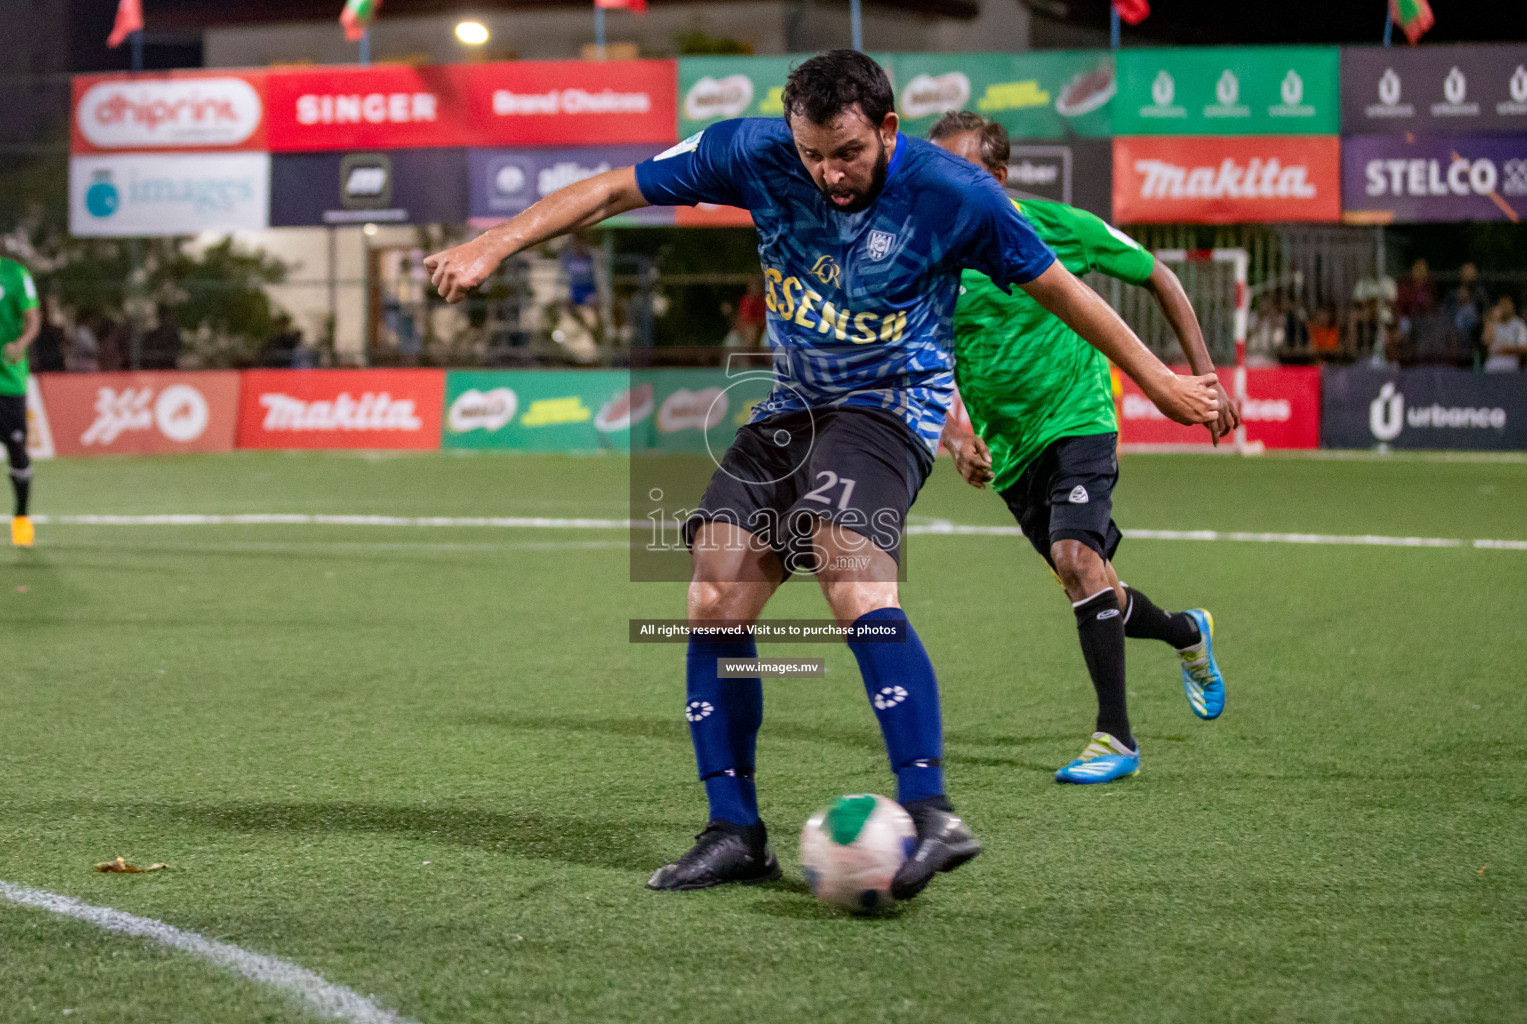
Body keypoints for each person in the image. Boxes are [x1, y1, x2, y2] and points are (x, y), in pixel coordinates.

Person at [424, 50, 1218, 899]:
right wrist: (497, 242)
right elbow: (617, 188)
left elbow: (1065, 290)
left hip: (890, 407)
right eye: (812, 154)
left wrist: (1161, 381)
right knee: (713, 591)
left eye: (846, 153)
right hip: (793, 407)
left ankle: (930, 810)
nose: (828, 173)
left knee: (850, 570)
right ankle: (734, 831)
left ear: (886, 129)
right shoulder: (754, 150)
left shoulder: (955, 194)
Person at [929, 112, 1234, 786]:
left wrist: (1202, 374)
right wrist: (957, 436)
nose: (945, 186)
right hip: (1010, 453)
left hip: (1079, 416)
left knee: (1076, 558)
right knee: (1089, 583)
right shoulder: (932, 255)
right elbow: (925, 360)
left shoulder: (1056, 226)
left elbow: (1160, 277)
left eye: (962, 172)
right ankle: (1186, 631)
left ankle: (1115, 739)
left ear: (999, 179)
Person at [0, 255, 41, 547]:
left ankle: (21, 517)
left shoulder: (16, 275)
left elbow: (33, 320)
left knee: (17, 450)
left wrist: (20, 345)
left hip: (9, 382)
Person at [1483, 296, 1527, 373]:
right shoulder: (1495, 323)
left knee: (1503, 366)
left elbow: (1525, 348)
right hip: (1493, 361)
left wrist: (1504, 348)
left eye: (1506, 305)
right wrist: (1492, 320)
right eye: (1501, 305)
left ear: (1512, 307)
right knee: (1489, 366)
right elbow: (1486, 341)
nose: (1504, 308)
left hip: (1511, 360)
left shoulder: (1519, 324)